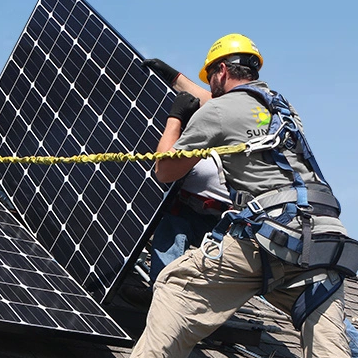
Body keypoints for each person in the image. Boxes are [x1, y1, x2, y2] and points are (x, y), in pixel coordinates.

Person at [129, 33, 358, 358]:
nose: (209, 87)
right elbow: (228, 107)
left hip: (269, 232)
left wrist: (175, 117)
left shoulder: (220, 112)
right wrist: (176, 78)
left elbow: (165, 171)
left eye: (211, 78)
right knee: (328, 344)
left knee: (175, 285)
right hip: (324, 240)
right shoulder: (280, 109)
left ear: (222, 70)